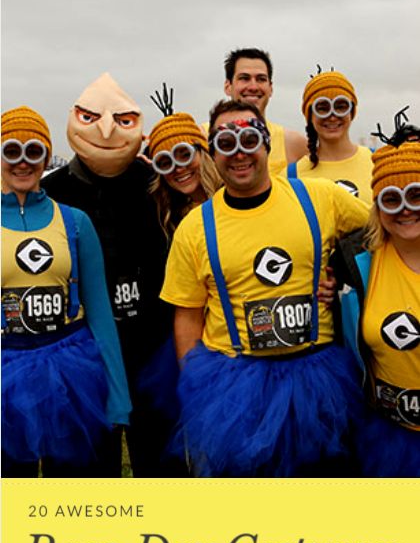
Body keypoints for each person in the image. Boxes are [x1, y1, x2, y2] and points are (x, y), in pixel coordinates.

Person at [160, 99, 369, 478]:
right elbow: (187, 315)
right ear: (212, 153)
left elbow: (384, 235)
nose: (239, 153)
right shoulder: (194, 227)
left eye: (249, 139)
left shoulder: (321, 197)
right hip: (235, 386)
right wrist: (196, 393)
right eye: (226, 143)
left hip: (317, 380)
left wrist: (343, 274)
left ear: (266, 145)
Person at [42, 74, 173, 477]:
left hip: (151, 344)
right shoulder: (52, 190)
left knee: (161, 464)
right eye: (91, 117)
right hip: (82, 347)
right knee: (85, 470)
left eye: (121, 121)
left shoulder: (156, 184)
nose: (105, 130)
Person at [1, 105, 132, 477]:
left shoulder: (75, 222)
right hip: (6, 369)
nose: (23, 162)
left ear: (46, 157)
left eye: (34, 151)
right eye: (12, 151)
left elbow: (101, 313)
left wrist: (118, 398)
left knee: (73, 495)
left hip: (71, 372)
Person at [336, 127, 420, 477]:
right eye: (390, 198)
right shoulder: (355, 261)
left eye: (415, 195)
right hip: (391, 437)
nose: (404, 210)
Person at [203, 48, 307, 179]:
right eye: (244, 78)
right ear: (228, 86)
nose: (253, 87)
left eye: (261, 79)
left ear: (271, 88)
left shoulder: (293, 144)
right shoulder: (202, 138)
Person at [288, 67, 373, 205]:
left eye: (340, 107)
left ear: (352, 112)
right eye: (322, 108)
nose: (332, 117)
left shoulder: (376, 162)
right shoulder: (292, 176)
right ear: (310, 116)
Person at [148, 109, 224, 240]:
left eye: (185, 155)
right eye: (166, 163)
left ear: (204, 153)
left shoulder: (235, 197)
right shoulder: (166, 216)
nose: (178, 168)